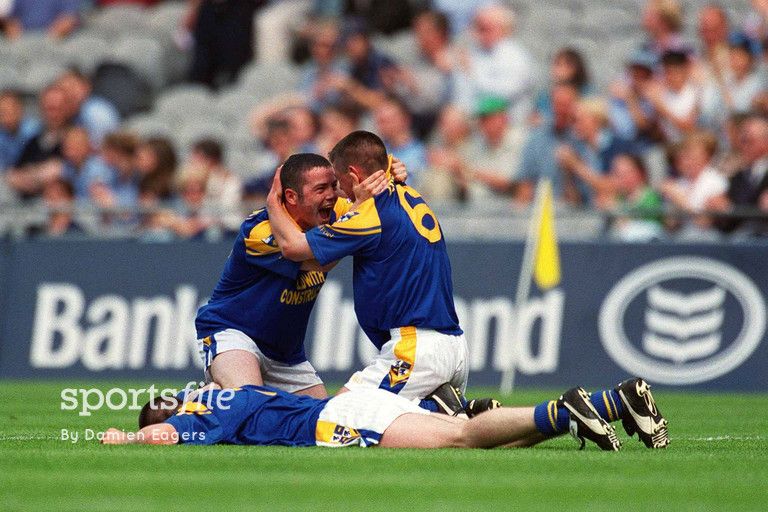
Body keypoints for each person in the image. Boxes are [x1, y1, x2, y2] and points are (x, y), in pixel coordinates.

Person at [265, 131, 469, 409]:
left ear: (354, 174)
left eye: (338, 181)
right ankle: (449, 410)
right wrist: (391, 167)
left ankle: (444, 409)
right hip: (452, 345)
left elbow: (292, 247)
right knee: (404, 430)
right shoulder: (406, 191)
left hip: (415, 348)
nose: (337, 191)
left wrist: (273, 202)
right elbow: (375, 158)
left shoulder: (368, 216)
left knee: (333, 417)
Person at [194, 153, 406, 398]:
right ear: (292, 197)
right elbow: (321, 260)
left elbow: (377, 205)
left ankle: (214, 394)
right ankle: (194, 401)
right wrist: (356, 210)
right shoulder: (258, 231)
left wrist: (392, 175)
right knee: (248, 404)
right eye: (320, 189)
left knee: (324, 424)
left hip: (287, 354)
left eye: (333, 186)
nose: (331, 195)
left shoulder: (335, 211)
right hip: (234, 333)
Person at [101, 377, 669, 451]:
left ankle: (564, 410)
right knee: (472, 449)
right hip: (349, 408)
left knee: (464, 441)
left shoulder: (207, 408)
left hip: (340, 421)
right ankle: (610, 404)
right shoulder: (227, 396)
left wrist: (127, 437)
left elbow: (166, 437)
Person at [453, 4, 534, 125]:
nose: (480, 33)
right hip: (473, 122)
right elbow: (461, 93)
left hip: (508, 124)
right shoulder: (473, 52)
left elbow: (501, 96)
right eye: (479, 27)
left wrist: (472, 73)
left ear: (503, 28)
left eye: (486, 27)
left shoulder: (516, 57)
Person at [57, 69, 121, 147]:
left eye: (72, 87)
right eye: (63, 89)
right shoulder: (71, 112)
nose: (69, 93)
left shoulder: (96, 113)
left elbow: (101, 148)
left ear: (87, 87)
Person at [0, 90, 40, 173]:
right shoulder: (2, 135)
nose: (6, 118)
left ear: (19, 110)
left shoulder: (35, 130)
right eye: (2, 114)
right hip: (10, 177)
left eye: (9, 112)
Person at [1, 0, 80, 40]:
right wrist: (10, 26)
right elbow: (11, 19)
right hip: (22, 39)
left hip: (55, 40)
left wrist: (51, 37)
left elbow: (69, 18)